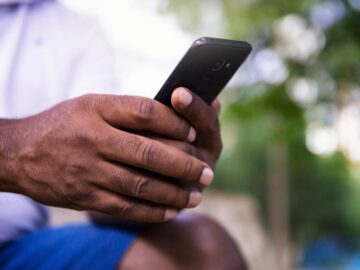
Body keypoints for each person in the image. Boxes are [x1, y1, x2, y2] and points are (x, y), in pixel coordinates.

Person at [0, 0, 247, 269]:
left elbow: (96, 197)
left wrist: (148, 178)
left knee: (205, 248)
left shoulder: (79, 33)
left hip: (16, 249)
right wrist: (15, 152)